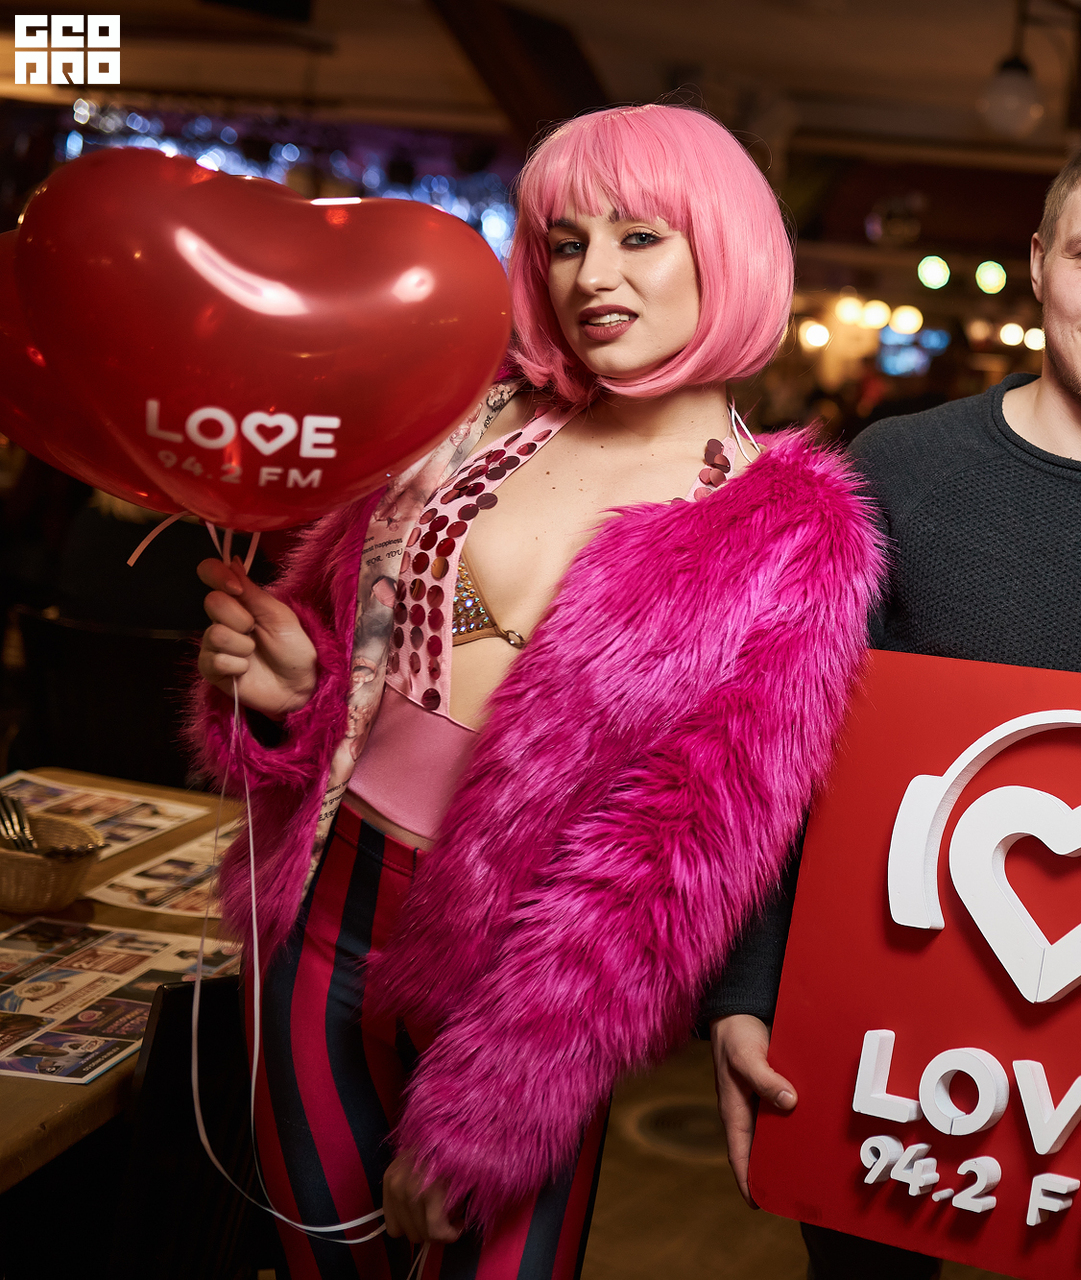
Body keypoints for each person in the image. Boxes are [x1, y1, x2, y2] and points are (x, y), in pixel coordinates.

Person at [190, 104, 881, 1278]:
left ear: (726, 249)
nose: (591, 275)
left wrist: (500, 1104)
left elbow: (673, 863)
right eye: (566, 242)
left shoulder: (792, 532)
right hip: (324, 914)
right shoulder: (462, 419)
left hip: (528, 987)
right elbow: (334, 651)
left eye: (638, 237)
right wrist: (287, 690)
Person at [701, 126, 1081, 1278]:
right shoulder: (901, 466)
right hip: (881, 1028)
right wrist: (746, 989)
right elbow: (785, 746)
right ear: (1038, 262)